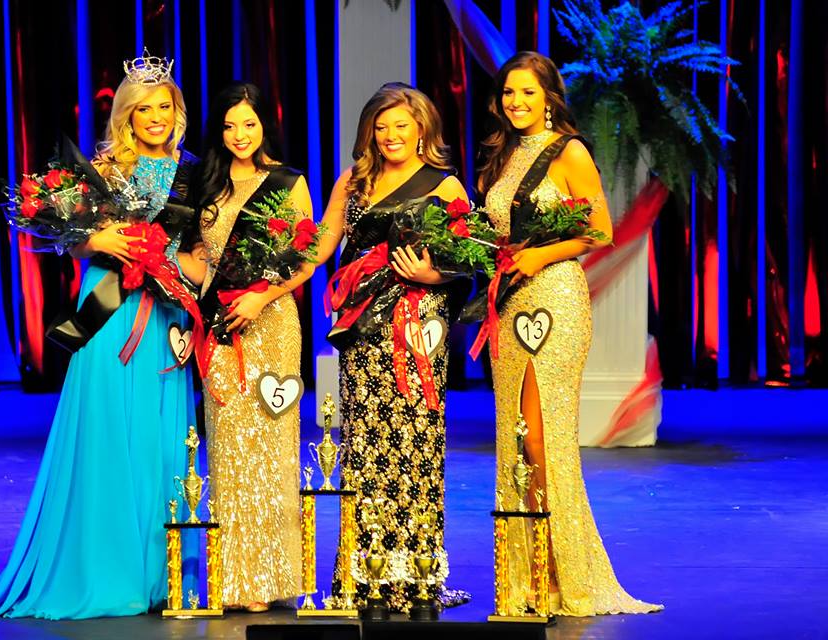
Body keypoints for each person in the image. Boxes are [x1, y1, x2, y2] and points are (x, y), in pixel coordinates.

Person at [0, 52, 200, 619]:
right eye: (145, 108)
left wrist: (167, 259)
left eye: (165, 106)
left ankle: (161, 576)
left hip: (164, 310)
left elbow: (202, 251)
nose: (156, 117)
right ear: (127, 114)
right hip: (109, 307)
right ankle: (104, 568)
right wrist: (101, 241)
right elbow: (71, 237)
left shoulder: (191, 170)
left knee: (163, 440)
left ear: (176, 112)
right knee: (107, 429)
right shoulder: (105, 168)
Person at [476, 51, 662, 616]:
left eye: (528, 93)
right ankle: (528, 576)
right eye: (509, 93)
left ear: (550, 96)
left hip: (555, 297)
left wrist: (539, 259)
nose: (517, 102)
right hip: (509, 306)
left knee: (542, 438)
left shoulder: (570, 152)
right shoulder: (503, 154)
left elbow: (599, 229)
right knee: (515, 439)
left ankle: (562, 575)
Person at [317, 82, 470, 612]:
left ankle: (419, 576)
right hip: (362, 324)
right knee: (365, 445)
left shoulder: (446, 187)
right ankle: (362, 574)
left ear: (422, 127)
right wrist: (264, 261)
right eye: (381, 127)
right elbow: (321, 244)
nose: (390, 135)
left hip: (419, 322)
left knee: (417, 441)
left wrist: (433, 272)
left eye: (401, 125)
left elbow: (471, 259)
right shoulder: (354, 180)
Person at [186, 82, 313, 612]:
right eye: (230, 125)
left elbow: (304, 260)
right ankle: (232, 576)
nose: (240, 135)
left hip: (271, 322)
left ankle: (269, 576)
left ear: (265, 126)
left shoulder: (287, 181)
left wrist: (261, 298)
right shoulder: (205, 183)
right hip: (219, 323)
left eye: (250, 124)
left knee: (270, 450)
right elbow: (196, 251)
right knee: (228, 450)